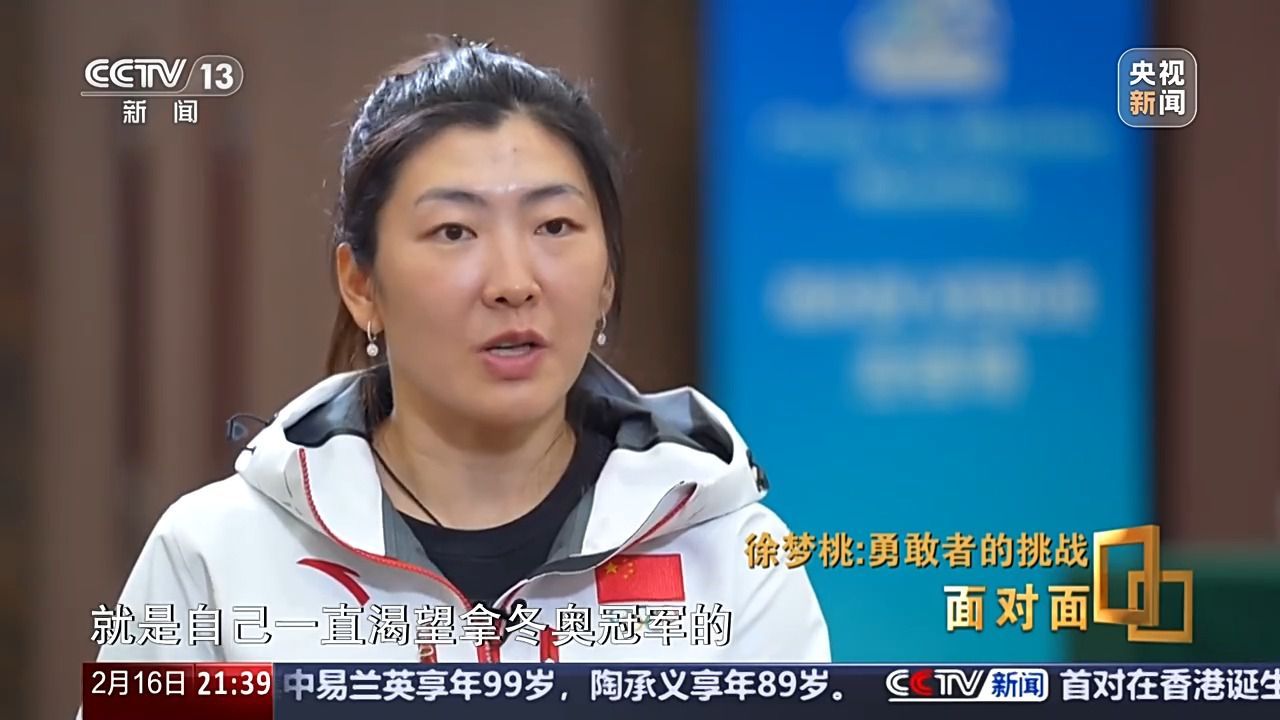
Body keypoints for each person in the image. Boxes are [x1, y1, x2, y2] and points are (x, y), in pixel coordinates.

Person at [92, 36, 829, 665]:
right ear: (361, 285)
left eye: (555, 227)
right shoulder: (218, 556)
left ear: (607, 276)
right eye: (454, 232)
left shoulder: (730, 555)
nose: (513, 283)